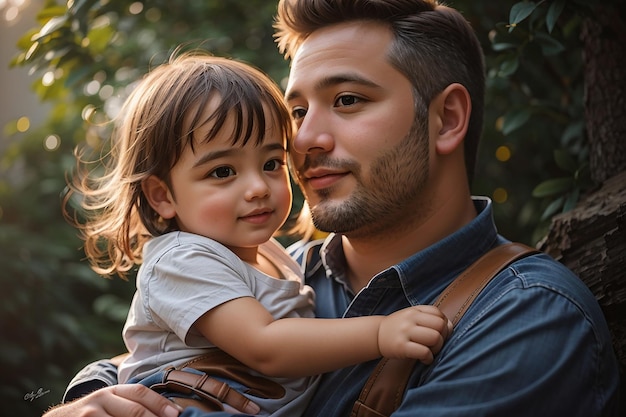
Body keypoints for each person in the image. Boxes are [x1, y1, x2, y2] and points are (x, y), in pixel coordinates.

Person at [45, 0, 620, 416]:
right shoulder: (279, 263)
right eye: (296, 113)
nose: (305, 140)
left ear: (446, 119)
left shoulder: (526, 319)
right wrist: (78, 404)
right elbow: (148, 354)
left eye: (347, 101)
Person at [53, 51, 451, 417]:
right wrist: (381, 332)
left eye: (272, 162)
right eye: (223, 172)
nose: (258, 187)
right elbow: (266, 346)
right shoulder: (182, 260)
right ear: (162, 196)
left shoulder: (273, 253)